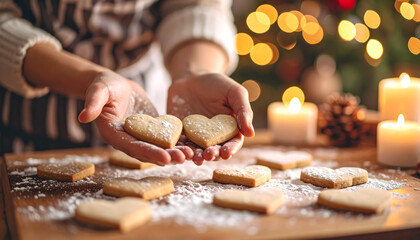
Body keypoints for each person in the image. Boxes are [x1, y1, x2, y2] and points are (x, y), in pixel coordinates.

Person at [0, 0, 254, 166]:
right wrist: (90, 79)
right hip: (26, 127)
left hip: (144, 103)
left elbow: (195, 6)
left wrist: (193, 71)